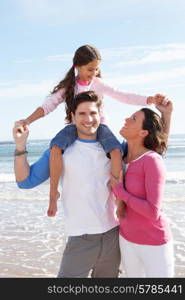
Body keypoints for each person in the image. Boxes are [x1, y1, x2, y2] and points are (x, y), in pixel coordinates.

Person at [16, 44, 165, 217]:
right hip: (74, 127)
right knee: (55, 148)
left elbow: (122, 95)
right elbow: (47, 106)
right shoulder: (69, 87)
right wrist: (27, 120)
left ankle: (120, 200)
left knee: (116, 151)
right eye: (90, 69)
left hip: (100, 126)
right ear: (77, 66)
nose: (93, 73)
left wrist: (149, 99)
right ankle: (53, 194)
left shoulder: (98, 84)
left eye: (96, 69)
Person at [13, 91, 121, 278]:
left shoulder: (112, 148)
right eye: (82, 114)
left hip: (114, 236)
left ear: (99, 115)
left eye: (93, 113)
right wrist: (21, 145)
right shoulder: (61, 151)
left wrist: (166, 116)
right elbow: (25, 181)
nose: (89, 119)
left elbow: (153, 152)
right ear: (72, 117)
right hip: (81, 239)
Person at [111, 100, 174, 277]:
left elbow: (152, 211)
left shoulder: (152, 161)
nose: (126, 119)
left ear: (143, 132)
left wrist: (120, 192)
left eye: (133, 119)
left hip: (154, 243)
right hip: (126, 239)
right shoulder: (120, 157)